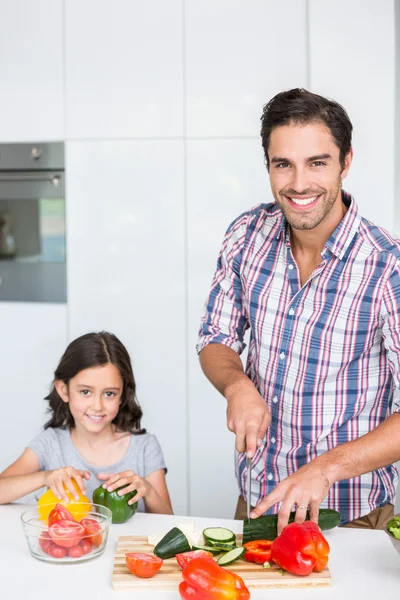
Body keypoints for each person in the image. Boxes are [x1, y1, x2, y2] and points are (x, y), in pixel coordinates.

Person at [197, 88, 400, 533]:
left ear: (346, 162)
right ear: (267, 164)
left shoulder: (389, 267)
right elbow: (216, 337)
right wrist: (236, 386)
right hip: (256, 503)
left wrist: (325, 469)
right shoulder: (245, 235)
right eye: (282, 164)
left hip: (348, 516)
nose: (299, 183)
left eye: (318, 162)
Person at [0, 331, 173, 514]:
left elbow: (169, 520)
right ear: (64, 390)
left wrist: (149, 490)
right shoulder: (50, 443)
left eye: (109, 394)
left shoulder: (145, 447)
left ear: (122, 395)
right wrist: (46, 477)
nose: (97, 406)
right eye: (85, 392)